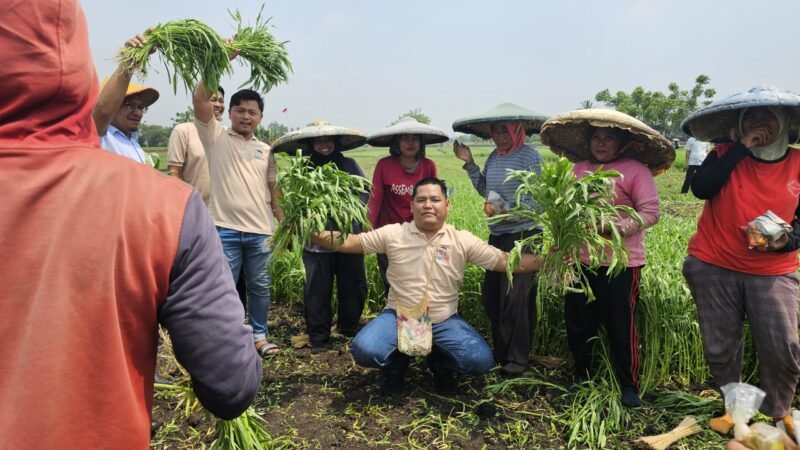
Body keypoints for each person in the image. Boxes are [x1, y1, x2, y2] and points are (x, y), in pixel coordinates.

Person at [0, 2, 262, 448]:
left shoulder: (258, 149)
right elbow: (231, 383)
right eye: (132, 103)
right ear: (83, 82)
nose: (138, 110)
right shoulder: (161, 198)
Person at [312, 178, 545, 395]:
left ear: (447, 205)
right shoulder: (393, 234)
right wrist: (310, 231)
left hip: (444, 320)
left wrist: (548, 259)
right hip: (398, 316)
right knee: (365, 349)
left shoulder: (461, 239)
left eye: (435, 200)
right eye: (421, 200)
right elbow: (351, 242)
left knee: (479, 360)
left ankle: (440, 363)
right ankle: (397, 363)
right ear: (412, 206)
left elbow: (507, 261)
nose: (428, 205)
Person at [680, 86, 800, 437]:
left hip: (773, 270)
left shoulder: (797, 163)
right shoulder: (723, 154)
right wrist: (740, 149)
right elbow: (702, 188)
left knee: (783, 346)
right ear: (740, 124)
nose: (760, 123)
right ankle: (735, 408)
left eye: (768, 116)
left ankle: (779, 410)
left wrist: (785, 242)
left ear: (785, 123)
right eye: (752, 117)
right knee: (720, 344)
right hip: (715, 262)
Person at [540, 108, 673, 407]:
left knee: (620, 323)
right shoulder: (577, 170)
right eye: (596, 137)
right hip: (580, 261)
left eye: (609, 138)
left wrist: (611, 229)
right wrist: (559, 243)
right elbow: (564, 213)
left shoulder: (635, 170)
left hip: (621, 263)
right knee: (578, 321)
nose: (601, 143)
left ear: (622, 143)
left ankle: (629, 384)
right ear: (587, 142)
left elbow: (650, 213)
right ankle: (583, 375)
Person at [452, 102, 548, 376]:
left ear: (517, 130)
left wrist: (509, 211)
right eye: (495, 131)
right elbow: (486, 190)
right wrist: (469, 163)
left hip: (525, 235)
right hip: (498, 235)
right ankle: (501, 351)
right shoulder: (494, 157)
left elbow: (538, 198)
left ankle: (517, 360)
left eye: (505, 131)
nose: (500, 136)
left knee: (517, 298)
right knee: (492, 296)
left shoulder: (529, 156)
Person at [193, 75, 284, 357]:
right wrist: (218, 63)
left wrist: (286, 226)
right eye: (240, 110)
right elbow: (199, 100)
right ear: (229, 112)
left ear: (260, 117)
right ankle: (227, 338)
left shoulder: (266, 150)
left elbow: (275, 193)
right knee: (223, 289)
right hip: (224, 229)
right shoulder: (215, 136)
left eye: (252, 112)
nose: (246, 116)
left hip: (261, 232)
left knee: (260, 287)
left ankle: (259, 335)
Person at [272, 121, 369, 352]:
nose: (323, 145)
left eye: (327, 140)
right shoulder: (302, 169)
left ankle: (348, 329)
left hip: (347, 237)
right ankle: (319, 337)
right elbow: (293, 200)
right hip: (315, 241)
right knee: (317, 289)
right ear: (310, 144)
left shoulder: (348, 165)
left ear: (335, 143)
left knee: (353, 285)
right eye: (318, 141)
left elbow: (364, 192)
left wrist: (347, 210)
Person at [366, 117, 446, 298]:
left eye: (415, 138)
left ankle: (420, 323)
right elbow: (376, 197)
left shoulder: (428, 166)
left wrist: (439, 229)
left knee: (420, 282)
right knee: (392, 283)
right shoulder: (384, 165)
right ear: (397, 142)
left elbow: (435, 200)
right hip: (390, 234)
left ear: (421, 142)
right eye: (404, 138)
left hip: (420, 234)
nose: (410, 143)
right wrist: (368, 230)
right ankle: (394, 321)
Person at [92, 33, 160, 166]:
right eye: (131, 105)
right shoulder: (100, 136)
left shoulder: (134, 142)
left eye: (141, 107)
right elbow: (103, 110)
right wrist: (129, 61)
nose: (138, 113)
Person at [168, 87, 226, 204]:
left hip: (224, 214)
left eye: (221, 101)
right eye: (213, 100)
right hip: (195, 209)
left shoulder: (228, 133)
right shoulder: (183, 131)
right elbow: (174, 174)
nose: (218, 105)